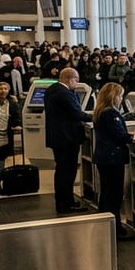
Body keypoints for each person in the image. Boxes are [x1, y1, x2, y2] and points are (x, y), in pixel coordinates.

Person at [45, 68, 91, 214]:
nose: (76, 84)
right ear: (69, 79)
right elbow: (76, 113)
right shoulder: (64, 93)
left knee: (62, 171)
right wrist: (97, 116)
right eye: (76, 80)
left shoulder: (52, 89)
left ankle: (67, 201)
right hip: (67, 138)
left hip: (58, 137)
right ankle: (65, 204)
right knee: (67, 172)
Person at [92, 83, 135, 240]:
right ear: (112, 96)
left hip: (104, 157)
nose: (121, 99)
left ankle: (105, 224)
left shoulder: (100, 112)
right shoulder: (111, 114)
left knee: (106, 193)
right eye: (119, 96)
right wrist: (132, 137)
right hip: (112, 159)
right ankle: (115, 228)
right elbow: (120, 135)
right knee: (114, 195)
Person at [0, 81, 21, 177]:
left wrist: (17, 124)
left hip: (6, 136)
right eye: (0, 89)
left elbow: (16, 116)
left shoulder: (11, 101)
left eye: (5, 89)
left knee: (1, 158)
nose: (3, 91)